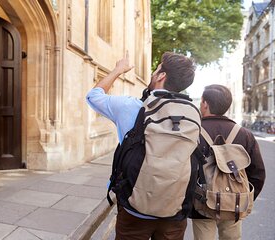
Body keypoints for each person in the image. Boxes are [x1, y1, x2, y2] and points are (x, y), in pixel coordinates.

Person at [86, 51, 196, 240]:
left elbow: (93, 96)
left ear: (161, 76)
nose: (154, 73)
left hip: (135, 208)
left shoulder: (131, 107)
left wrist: (118, 69)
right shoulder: (192, 115)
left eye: (157, 70)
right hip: (174, 210)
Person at [191, 84, 266, 240]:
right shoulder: (245, 134)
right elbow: (258, 173)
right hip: (234, 202)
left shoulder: (193, 132)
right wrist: (243, 197)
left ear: (205, 104)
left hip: (201, 203)